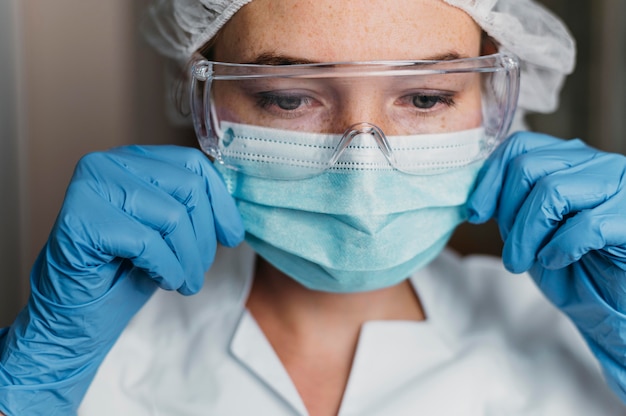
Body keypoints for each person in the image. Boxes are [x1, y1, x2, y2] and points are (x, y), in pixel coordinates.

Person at [1, 0, 626, 414]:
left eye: (429, 97)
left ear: (495, 104)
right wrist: (27, 389)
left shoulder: (574, 339)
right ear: (205, 104)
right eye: (287, 99)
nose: (362, 164)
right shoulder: (90, 354)